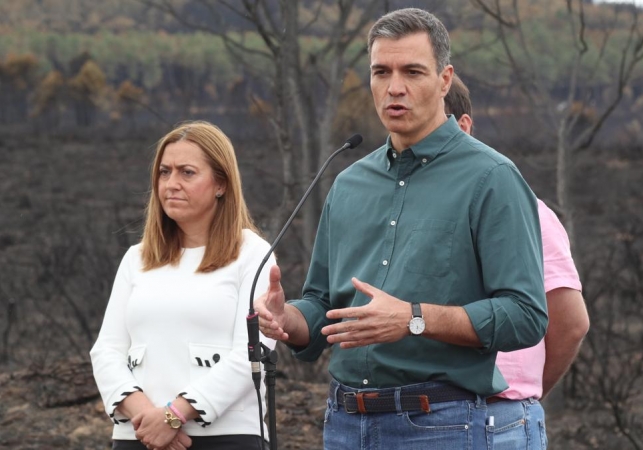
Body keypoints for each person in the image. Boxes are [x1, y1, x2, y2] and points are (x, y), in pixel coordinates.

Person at [256, 8, 548, 449]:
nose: (395, 87)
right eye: (381, 71)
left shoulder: (492, 178)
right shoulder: (349, 183)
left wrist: (413, 319)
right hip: (344, 424)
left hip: (441, 426)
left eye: (412, 71)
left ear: (445, 79)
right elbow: (323, 306)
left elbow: (526, 316)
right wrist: (288, 320)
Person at [90, 121, 276, 450]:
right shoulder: (137, 258)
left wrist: (174, 416)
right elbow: (106, 351)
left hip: (226, 437)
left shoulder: (252, 254)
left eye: (187, 173)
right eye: (164, 172)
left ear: (221, 183)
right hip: (139, 437)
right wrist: (149, 417)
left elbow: (252, 353)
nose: (171, 184)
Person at [445, 73, 590, 449]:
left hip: (498, 420)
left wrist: (523, 396)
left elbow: (571, 322)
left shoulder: (527, 210)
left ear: (464, 126)